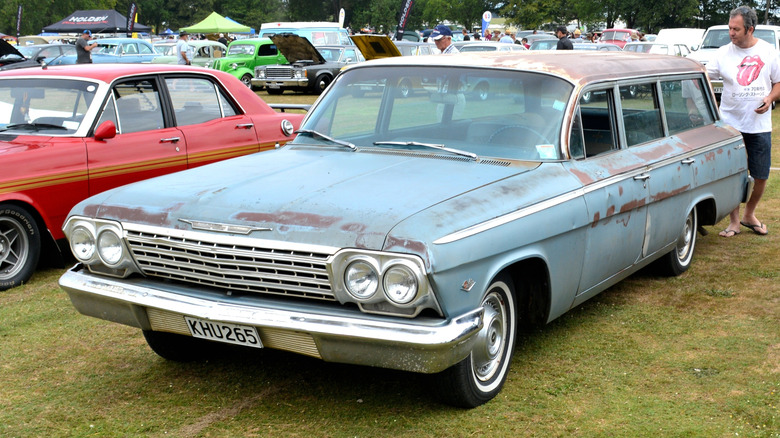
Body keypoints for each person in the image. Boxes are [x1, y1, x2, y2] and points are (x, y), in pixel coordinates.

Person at [709, 6, 780, 237]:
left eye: (736, 29)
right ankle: (734, 222)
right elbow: (704, 78)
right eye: (730, 28)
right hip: (731, 125)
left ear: (750, 29)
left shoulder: (769, 51)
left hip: (759, 126)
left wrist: (769, 98)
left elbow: (778, 82)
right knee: (733, 174)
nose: (731, 33)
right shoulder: (721, 53)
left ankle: (750, 214)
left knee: (761, 174)